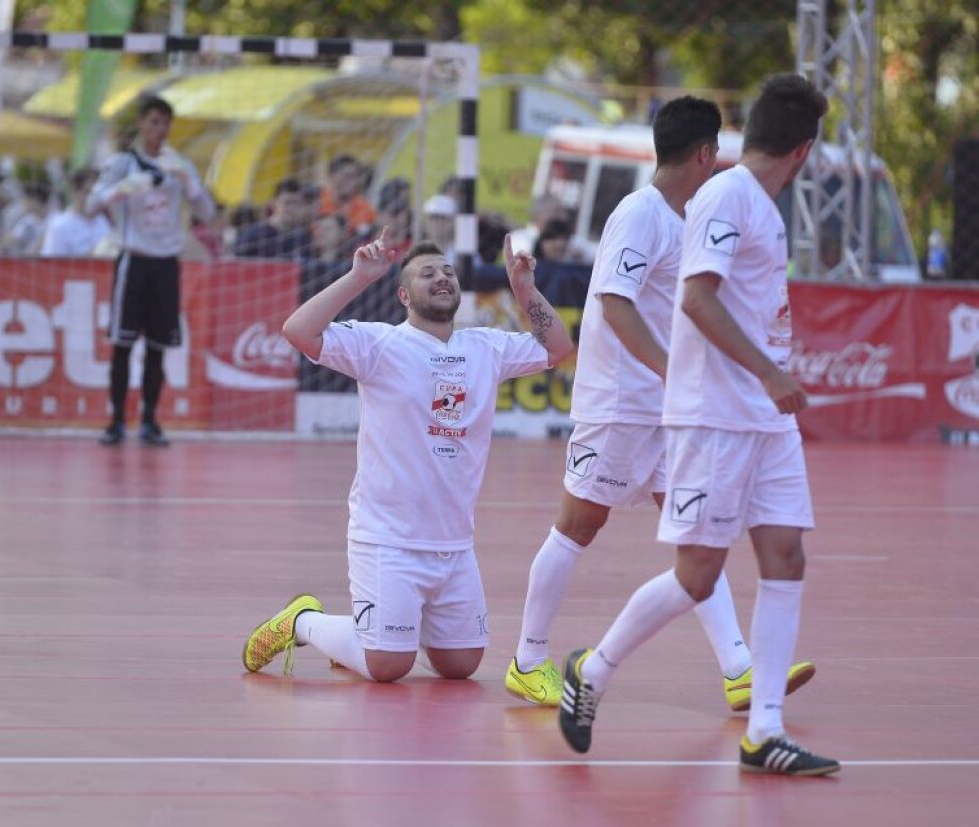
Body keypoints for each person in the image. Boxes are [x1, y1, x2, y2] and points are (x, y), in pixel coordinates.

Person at [558, 75, 839, 776]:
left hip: (765, 422)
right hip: (713, 418)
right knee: (696, 575)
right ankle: (592, 669)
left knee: (786, 557)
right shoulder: (725, 196)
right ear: (804, 151)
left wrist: (770, 380)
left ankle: (764, 730)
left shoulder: (762, 209)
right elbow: (697, 299)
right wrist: (769, 373)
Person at [507, 96, 815, 712]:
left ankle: (739, 668)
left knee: (700, 536)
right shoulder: (640, 213)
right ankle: (528, 661)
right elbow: (614, 302)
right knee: (578, 526)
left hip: (671, 411)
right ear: (704, 153)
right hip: (621, 403)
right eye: (717, 152)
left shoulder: (691, 216)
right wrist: (673, 370)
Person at [243, 230, 572, 683]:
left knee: (461, 665)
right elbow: (297, 331)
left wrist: (524, 289)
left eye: (448, 271)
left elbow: (558, 348)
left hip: (454, 544)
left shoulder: (486, 348)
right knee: (387, 667)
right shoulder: (378, 345)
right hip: (387, 539)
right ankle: (304, 622)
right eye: (427, 273)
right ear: (403, 295)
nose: (442, 278)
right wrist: (359, 277)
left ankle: (368, 633)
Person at [88, 95, 215, 447]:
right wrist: (124, 188)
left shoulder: (179, 164)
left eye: (165, 123)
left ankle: (150, 420)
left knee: (158, 346)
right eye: (154, 121)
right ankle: (116, 421)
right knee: (123, 345)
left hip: (166, 264)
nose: (160, 129)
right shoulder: (121, 163)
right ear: (141, 124)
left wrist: (188, 182)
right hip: (134, 259)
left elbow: (207, 212)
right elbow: (91, 204)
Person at [233, 178, 312, 259]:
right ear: (274, 204)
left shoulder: (303, 238)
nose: (292, 208)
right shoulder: (253, 235)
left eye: (296, 203)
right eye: (287, 203)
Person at [41, 169, 111, 257]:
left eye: (97, 193)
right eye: (88, 192)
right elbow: (52, 262)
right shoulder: (59, 226)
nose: (94, 198)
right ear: (75, 192)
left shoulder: (106, 222)